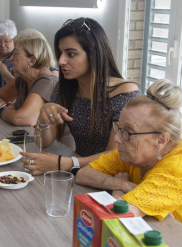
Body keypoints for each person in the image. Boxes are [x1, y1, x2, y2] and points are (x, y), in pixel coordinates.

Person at [22, 18, 140, 175]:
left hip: (113, 177)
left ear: (94, 54)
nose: (61, 61)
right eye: (60, 53)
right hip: (80, 173)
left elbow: (115, 155)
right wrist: (43, 119)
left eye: (71, 54)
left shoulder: (124, 94)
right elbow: (44, 144)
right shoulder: (66, 87)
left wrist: (64, 163)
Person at [76, 79, 182, 223]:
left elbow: (119, 217)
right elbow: (83, 174)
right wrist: (123, 184)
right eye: (119, 128)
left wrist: (118, 193)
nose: (118, 138)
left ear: (161, 141)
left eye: (127, 132)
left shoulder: (175, 170)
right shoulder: (133, 153)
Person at [0, 30, 58, 127]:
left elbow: (22, 119)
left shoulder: (47, 82)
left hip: (53, 141)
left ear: (31, 61)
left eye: (16, 54)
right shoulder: (23, 79)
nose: (11, 58)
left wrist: (1, 109)